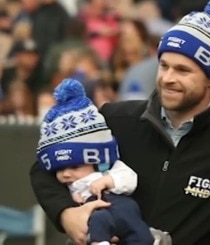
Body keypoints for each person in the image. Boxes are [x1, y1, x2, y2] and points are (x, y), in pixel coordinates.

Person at [30, 0, 210, 245]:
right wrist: (67, 214)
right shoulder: (115, 119)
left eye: (183, 70)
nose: (168, 78)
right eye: (164, 66)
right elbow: (44, 170)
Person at [36, 78, 154, 245]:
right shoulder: (69, 186)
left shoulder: (108, 168)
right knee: (99, 221)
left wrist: (108, 180)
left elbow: (130, 179)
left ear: (95, 160)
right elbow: (42, 177)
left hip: (123, 206)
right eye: (59, 169)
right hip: (96, 213)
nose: (66, 174)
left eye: (75, 167)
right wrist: (70, 207)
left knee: (137, 230)